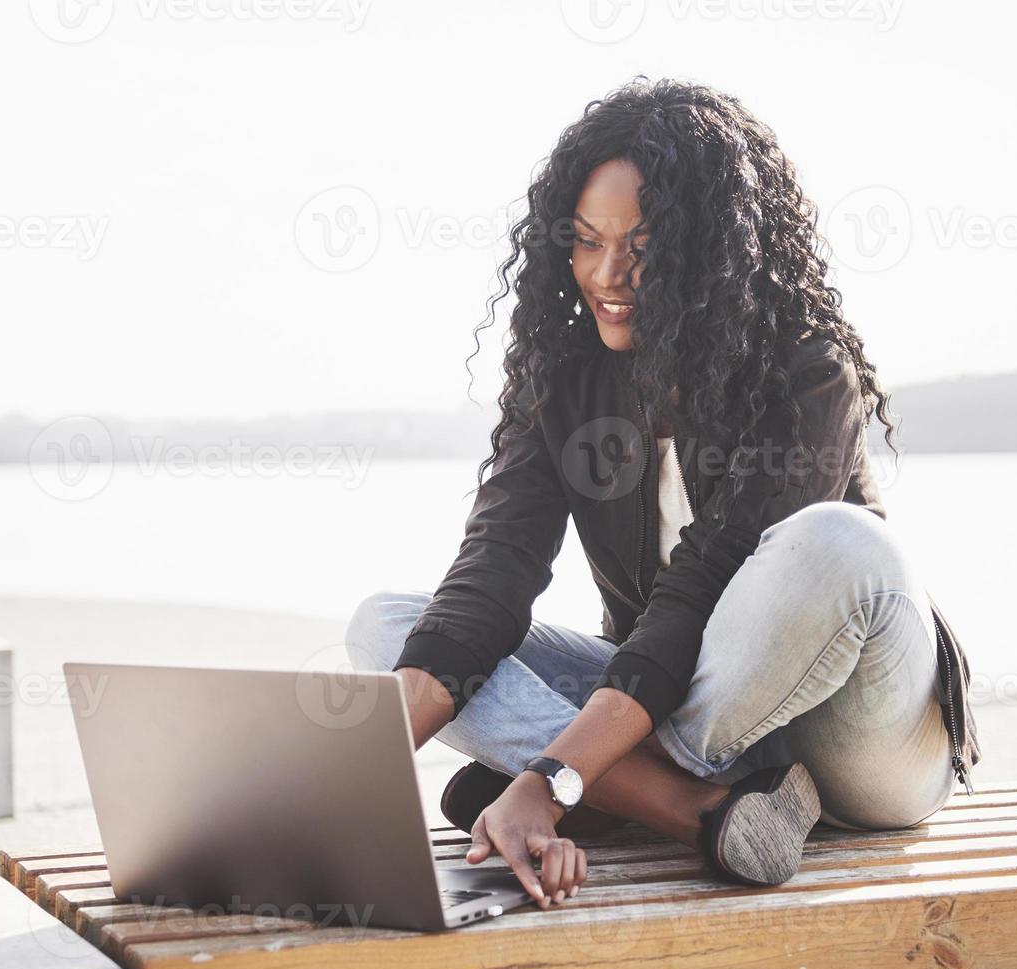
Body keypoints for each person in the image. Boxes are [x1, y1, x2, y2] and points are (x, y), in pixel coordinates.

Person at [345, 77, 980, 909]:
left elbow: (698, 592)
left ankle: (605, 791)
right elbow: (491, 575)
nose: (607, 273)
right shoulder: (564, 382)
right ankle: (692, 808)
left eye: (642, 249)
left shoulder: (805, 370)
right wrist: (345, 793)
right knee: (389, 628)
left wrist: (548, 777)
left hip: (859, 740)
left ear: (707, 252)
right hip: (690, 708)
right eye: (584, 241)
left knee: (840, 543)